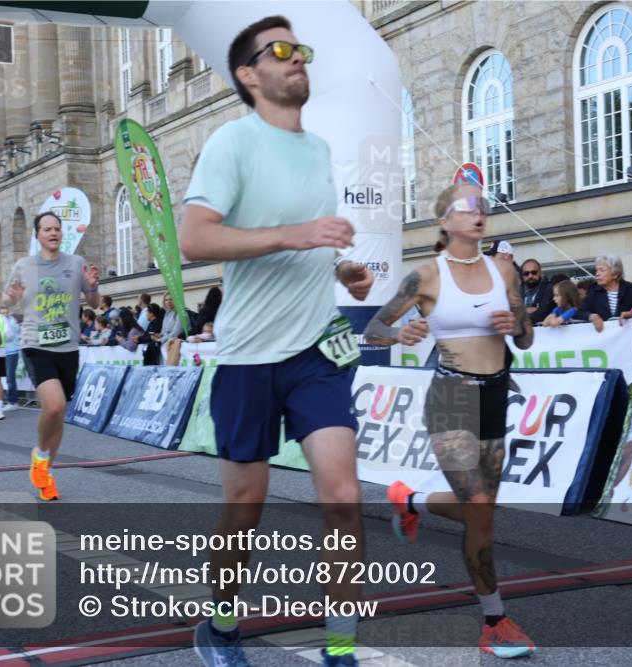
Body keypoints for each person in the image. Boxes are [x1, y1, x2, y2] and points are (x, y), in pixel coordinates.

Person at [177, 15, 374, 667]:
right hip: (247, 357)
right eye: (281, 51)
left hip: (317, 352)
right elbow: (196, 238)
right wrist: (297, 233)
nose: (297, 60)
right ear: (246, 73)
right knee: (245, 505)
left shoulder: (318, 150)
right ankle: (221, 622)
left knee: (344, 497)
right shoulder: (231, 143)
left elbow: (311, 245)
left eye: (300, 50)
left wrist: (340, 266)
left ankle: (339, 646)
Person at [364, 183, 535, 659]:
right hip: (452, 397)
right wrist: (401, 331)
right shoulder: (426, 276)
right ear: (445, 221)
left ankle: (410, 499)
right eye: (465, 208)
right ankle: (494, 620)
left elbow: (526, 341)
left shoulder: (505, 270)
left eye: (482, 207)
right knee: (479, 509)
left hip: (496, 395)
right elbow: (374, 330)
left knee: (483, 511)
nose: (477, 213)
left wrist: (515, 326)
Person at [3, 211, 100, 502]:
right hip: (36, 344)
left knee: (58, 415)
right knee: (55, 407)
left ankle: (44, 471)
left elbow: (93, 302)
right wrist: (12, 296)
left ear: (62, 233)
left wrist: (93, 285)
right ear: (38, 235)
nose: (53, 233)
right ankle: (41, 454)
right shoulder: (24, 266)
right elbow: (7, 301)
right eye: (47, 229)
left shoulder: (76, 263)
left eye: (57, 229)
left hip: (68, 347)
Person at [577, 253, 632, 332]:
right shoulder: (593, 291)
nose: (597, 274)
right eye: (597, 270)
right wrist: (591, 316)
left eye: (602, 270)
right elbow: (579, 311)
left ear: (615, 274)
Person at [519, 259, 554, 325]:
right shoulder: (517, 291)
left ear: (540, 272)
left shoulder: (550, 289)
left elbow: (541, 315)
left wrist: (520, 313)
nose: (530, 276)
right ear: (522, 275)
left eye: (534, 272)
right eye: (526, 273)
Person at [1, 308, 21, 410]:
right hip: (7, 352)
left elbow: (8, 336)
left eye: (6, 313)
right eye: (2, 313)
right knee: (9, 378)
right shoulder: (7, 322)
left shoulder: (11, 322)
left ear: (9, 312)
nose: (4, 315)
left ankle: (13, 402)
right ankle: (12, 401)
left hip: (12, 352)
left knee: (10, 378)